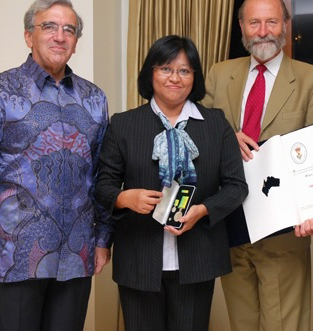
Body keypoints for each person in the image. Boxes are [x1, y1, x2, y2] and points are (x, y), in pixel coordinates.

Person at [0, 0, 113, 331]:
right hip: (14, 254)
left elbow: (103, 175)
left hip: (76, 253)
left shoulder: (94, 99)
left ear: (75, 42)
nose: (60, 36)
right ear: (29, 35)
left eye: (69, 30)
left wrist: (103, 240)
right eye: (50, 26)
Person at [202, 0, 313, 331]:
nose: (263, 31)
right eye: (254, 22)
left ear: (286, 26)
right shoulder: (219, 74)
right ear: (242, 28)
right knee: (241, 324)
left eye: (271, 21)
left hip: (282, 232)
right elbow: (199, 138)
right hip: (229, 223)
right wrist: (225, 138)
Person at [95, 35, 248, 331]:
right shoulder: (124, 124)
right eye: (166, 68)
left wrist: (203, 210)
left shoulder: (216, 123)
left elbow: (236, 186)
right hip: (138, 256)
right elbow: (103, 186)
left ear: (195, 77)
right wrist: (126, 198)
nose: (174, 78)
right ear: (150, 73)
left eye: (184, 70)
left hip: (198, 255)